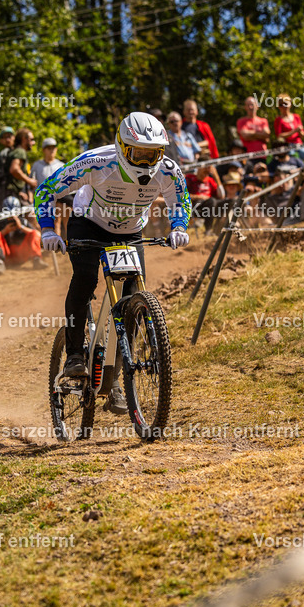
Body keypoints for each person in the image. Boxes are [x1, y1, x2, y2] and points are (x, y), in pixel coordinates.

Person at [36, 112, 190, 414]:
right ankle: (75, 356)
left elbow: (179, 199)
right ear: (122, 146)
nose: (146, 162)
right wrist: (48, 229)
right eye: (139, 153)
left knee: (134, 297)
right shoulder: (96, 162)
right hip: (87, 224)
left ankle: (117, 379)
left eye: (153, 154)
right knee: (85, 280)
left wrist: (179, 226)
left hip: (130, 231)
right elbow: (46, 190)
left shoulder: (169, 170)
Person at [236, 96, 270, 162]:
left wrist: (251, 134)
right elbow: (245, 136)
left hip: (262, 155)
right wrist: (260, 135)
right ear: (245, 107)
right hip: (247, 156)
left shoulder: (263, 121)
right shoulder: (241, 121)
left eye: (252, 104)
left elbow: (267, 135)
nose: (250, 107)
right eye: (248, 105)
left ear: (257, 106)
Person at [8, 128, 38, 203]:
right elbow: (14, 169)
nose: (33, 142)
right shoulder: (20, 151)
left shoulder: (15, 151)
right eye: (31, 139)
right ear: (24, 139)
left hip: (12, 192)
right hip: (11, 193)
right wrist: (29, 181)